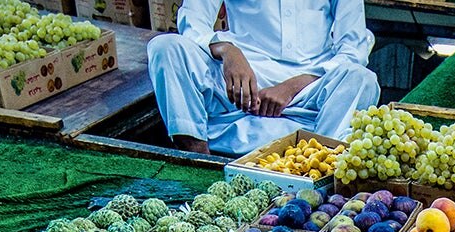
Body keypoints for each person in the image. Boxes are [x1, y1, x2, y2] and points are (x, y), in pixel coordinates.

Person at [148, 0, 378, 156]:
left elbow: (353, 49)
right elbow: (193, 18)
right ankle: (198, 159)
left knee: (361, 80)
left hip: (311, 88)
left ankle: (320, 163)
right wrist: (228, 50)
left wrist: (292, 87)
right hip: (242, 85)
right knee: (165, 47)